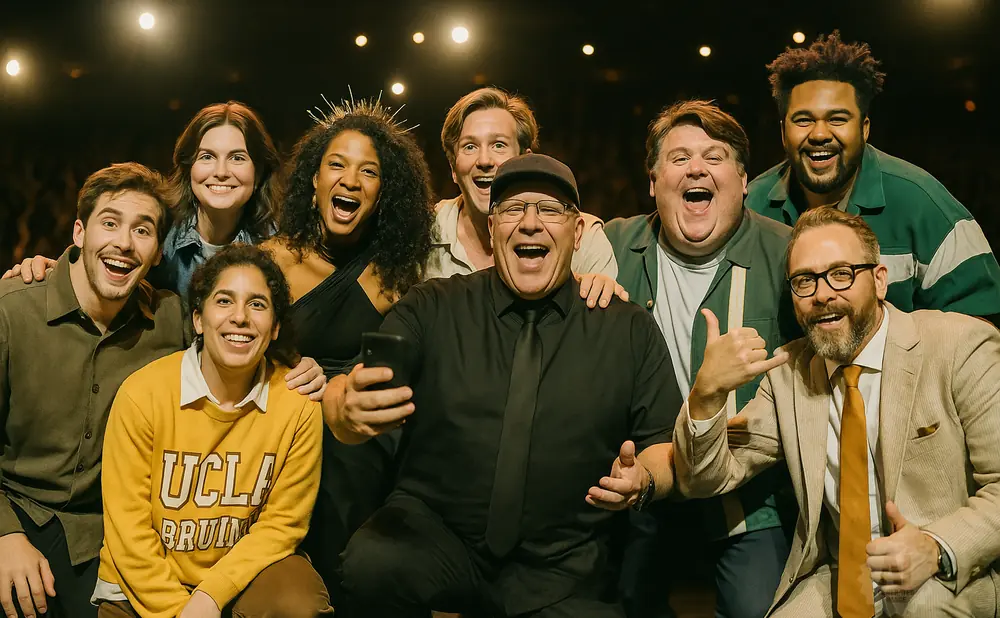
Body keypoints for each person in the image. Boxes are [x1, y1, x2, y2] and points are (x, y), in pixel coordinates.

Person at [325, 153, 682, 617]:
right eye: (513, 209)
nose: (530, 223)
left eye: (549, 209)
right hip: (435, 536)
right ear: (492, 230)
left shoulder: (627, 329)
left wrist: (644, 479)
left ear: (576, 233)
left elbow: (664, 447)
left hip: (565, 561)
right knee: (371, 565)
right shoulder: (434, 307)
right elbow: (349, 387)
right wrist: (341, 408)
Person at [674, 207, 1000, 617]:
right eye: (804, 281)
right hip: (840, 580)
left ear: (879, 281)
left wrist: (936, 547)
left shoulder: (960, 346)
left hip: (951, 575)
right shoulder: (788, 376)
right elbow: (705, 477)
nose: (822, 293)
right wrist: (707, 394)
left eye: (841, 274)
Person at [604, 100, 800, 618]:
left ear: (742, 180)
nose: (696, 168)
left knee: (760, 610)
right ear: (653, 181)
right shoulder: (608, 247)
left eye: (715, 157)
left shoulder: (788, 254)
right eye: (679, 157)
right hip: (639, 486)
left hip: (749, 497)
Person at [258, 95, 436, 603]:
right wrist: (283, 370)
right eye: (336, 164)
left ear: (384, 194)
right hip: (286, 431)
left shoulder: (400, 273)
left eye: (369, 172)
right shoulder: (270, 262)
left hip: (369, 445)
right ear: (313, 182)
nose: (350, 180)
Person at [93, 245, 332, 618]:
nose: (240, 317)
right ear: (199, 320)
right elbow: (129, 533)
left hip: (243, 577)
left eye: (257, 305)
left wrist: (209, 597)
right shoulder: (143, 395)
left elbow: (282, 525)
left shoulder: (297, 404)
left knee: (297, 604)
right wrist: (181, 611)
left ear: (275, 328)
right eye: (224, 301)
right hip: (145, 584)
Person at [0, 163, 187, 618]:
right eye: (110, 222)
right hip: (15, 509)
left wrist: (303, 367)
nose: (124, 242)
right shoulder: (13, 310)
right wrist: (4, 536)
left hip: (106, 529)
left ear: (157, 253)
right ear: (79, 233)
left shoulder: (171, 321)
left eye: (142, 230)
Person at [745, 31, 1000, 322]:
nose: (818, 134)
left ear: (864, 129)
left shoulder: (921, 203)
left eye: (837, 119)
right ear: (782, 132)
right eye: (803, 120)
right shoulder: (752, 206)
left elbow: (981, 326)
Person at [4, 102, 282, 299]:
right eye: (207, 156)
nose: (221, 172)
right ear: (188, 169)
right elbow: (102, 259)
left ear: (258, 173)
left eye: (237, 157)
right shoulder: (158, 227)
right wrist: (54, 271)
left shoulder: (279, 247)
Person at [428, 87, 619, 284]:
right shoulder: (424, 234)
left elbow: (604, 312)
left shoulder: (582, 237)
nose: (484, 160)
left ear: (525, 159)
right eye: (470, 146)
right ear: (453, 169)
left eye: (499, 145)